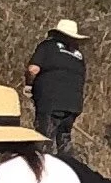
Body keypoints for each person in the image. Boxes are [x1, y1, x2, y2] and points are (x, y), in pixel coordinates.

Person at [25, 18, 86, 153]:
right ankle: (67, 163)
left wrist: (29, 85)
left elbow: (33, 69)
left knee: (43, 140)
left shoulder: (47, 46)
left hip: (50, 102)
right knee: (64, 141)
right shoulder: (79, 55)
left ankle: (42, 164)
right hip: (73, 105)